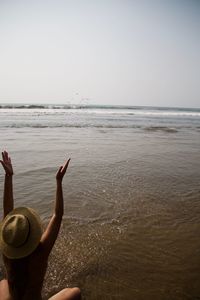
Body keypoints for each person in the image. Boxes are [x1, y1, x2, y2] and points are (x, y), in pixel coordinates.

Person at [0, 151, 81, 300]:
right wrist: (59, 182)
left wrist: (8, 177)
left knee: (4, 282)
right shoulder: (40, 254)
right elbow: (57, 215)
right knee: (75, 292)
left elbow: (8, 216)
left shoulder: (7, 254)